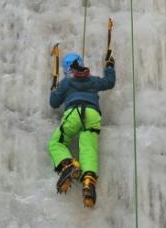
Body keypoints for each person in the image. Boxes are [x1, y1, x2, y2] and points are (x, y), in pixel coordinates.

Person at [48, 50, 116, 207]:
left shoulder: (66, 83)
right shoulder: (92, 80)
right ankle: (88, 180)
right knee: (88, 148)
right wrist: (110, 66)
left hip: (74, 113)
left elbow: (54, 103)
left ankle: (68, 164)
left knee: (56, 143)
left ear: (67, 70)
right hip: (93, 115)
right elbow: (109, 82)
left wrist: (54, 88)